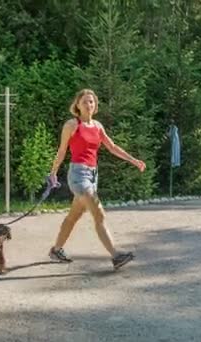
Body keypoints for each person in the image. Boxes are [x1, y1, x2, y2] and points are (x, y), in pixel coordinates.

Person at [48, 88, 147, 268]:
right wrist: (53, 172)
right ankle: (116, 256)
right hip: (78, 175)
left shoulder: (98, 126)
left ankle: (56, 249)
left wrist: (134, 160)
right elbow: (62, 150)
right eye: (85, 101)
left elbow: (113, 147)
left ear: (96, 105)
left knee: (73, 216)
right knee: (98, 212)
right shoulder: (71, 125)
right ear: (77, 105)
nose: (89, 105)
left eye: (92, 102)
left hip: (93, 175)